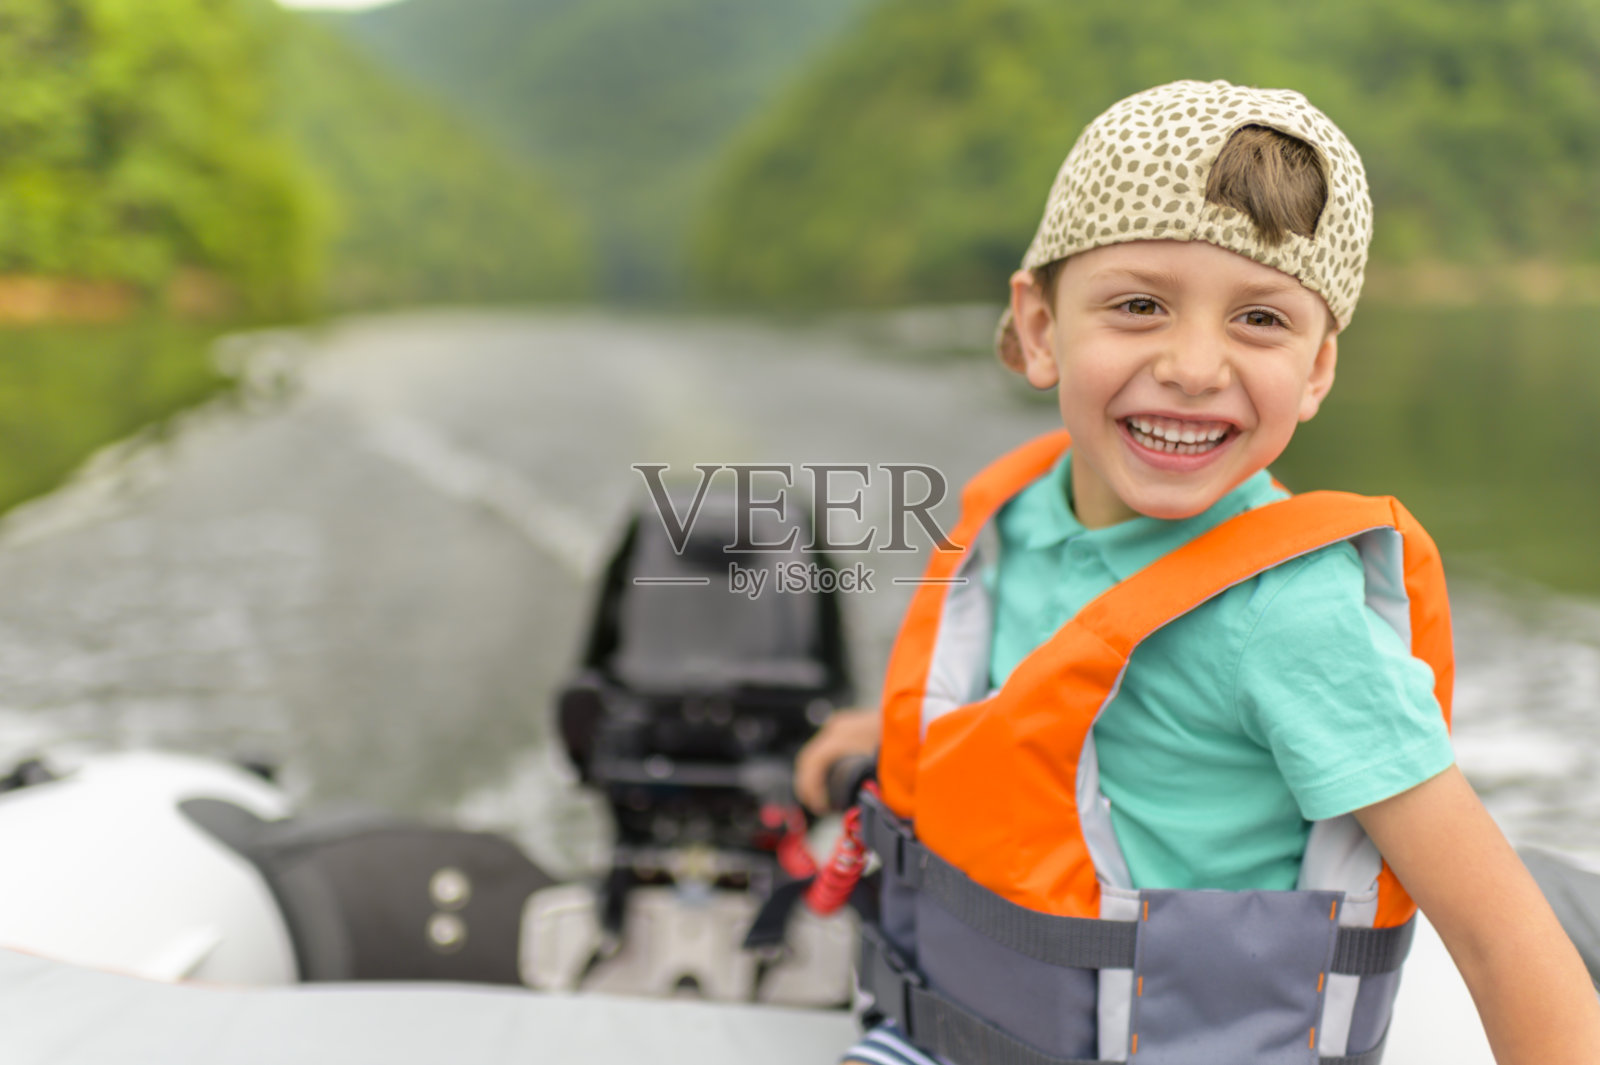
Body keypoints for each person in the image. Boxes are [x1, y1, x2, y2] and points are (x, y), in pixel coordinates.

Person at [796, 79, 1600, 1065]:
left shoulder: (1290, 623)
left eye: (1259, 320)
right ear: (1042, 327)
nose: (1192, 364)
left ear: (1315, 371)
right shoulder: (1014, 517)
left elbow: (1500, 934)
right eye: (1138, 306)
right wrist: (879, 738)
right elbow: (1032, 726)